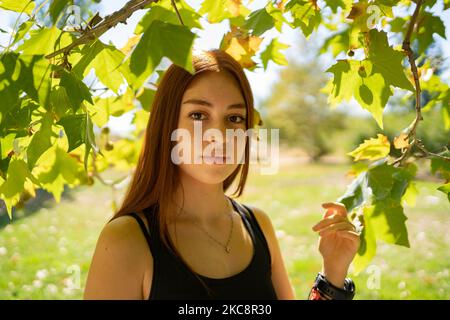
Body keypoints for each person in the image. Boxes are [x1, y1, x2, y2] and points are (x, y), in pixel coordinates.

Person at [83, 49, 360, 300]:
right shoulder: (126, 241)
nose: (221, 136)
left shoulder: (258, 225)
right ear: (167, 126)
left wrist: (333, 272)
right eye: (199, 115)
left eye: (234, 118)